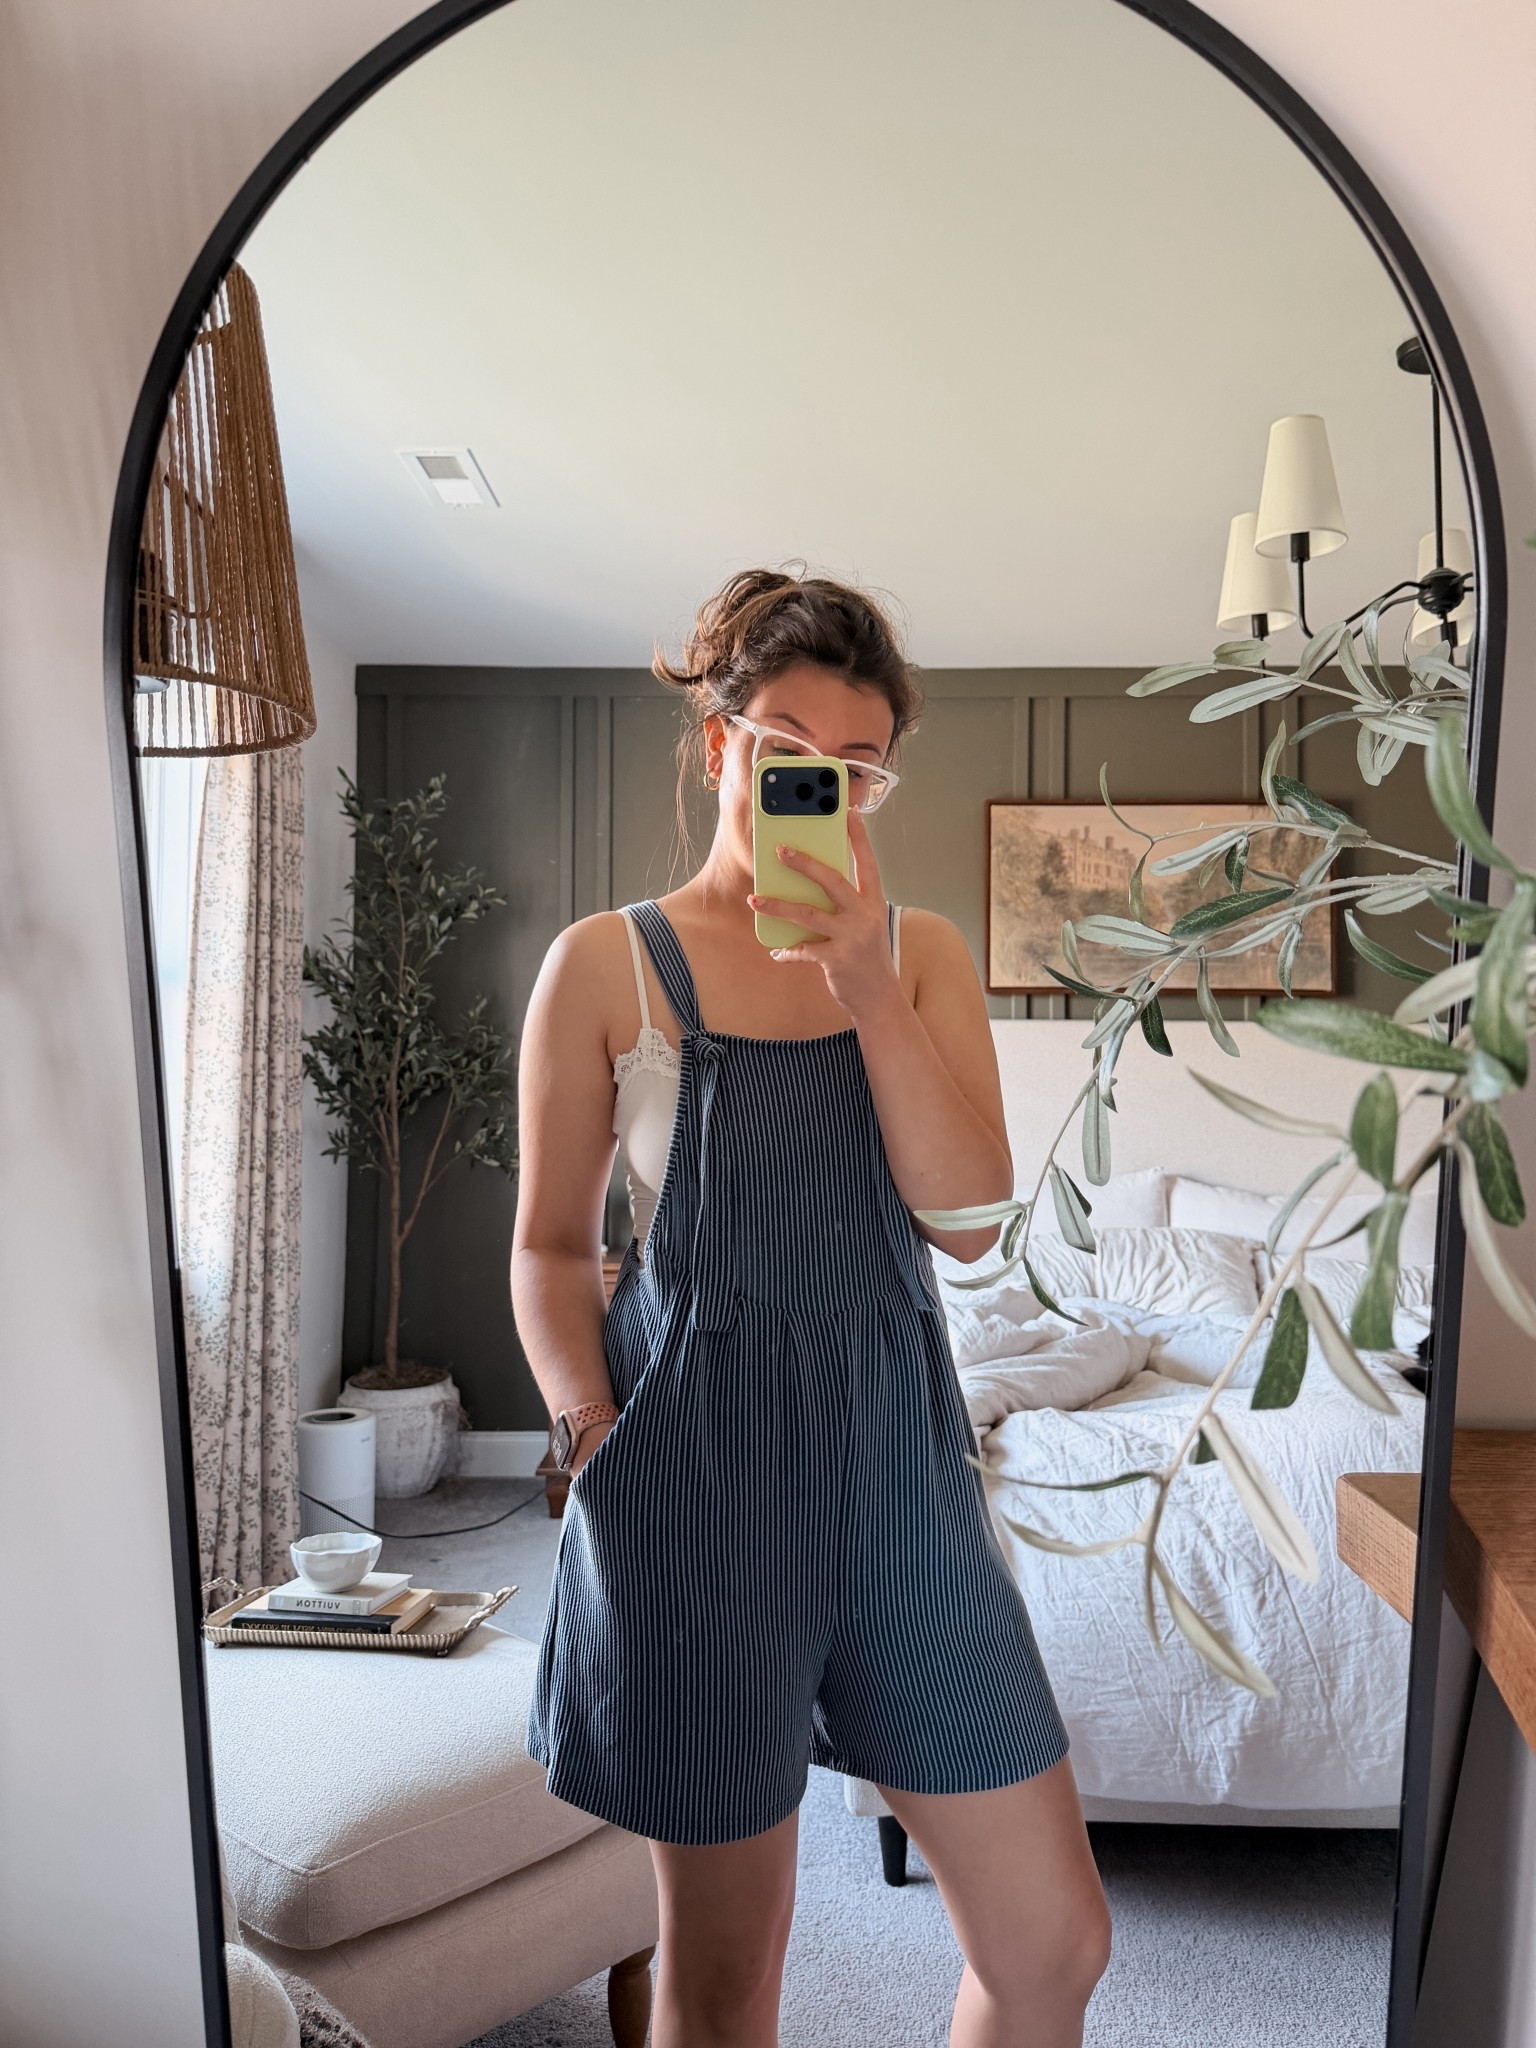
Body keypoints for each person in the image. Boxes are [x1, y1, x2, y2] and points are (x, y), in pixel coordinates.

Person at [513, 568, 1110, 2048]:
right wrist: (591, 1435)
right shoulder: (605, 964)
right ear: (722, 743)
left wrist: (864, 986)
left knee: (1051, 1948)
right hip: (693, 1500)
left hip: (901, 1488)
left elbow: (967, 1226)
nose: (822, 785)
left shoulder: (919, 956)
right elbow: (548, 1248)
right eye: (789, 749)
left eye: (858, 765)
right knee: (726, 1982)